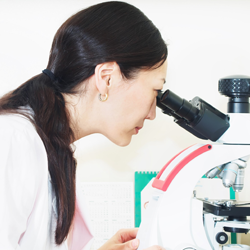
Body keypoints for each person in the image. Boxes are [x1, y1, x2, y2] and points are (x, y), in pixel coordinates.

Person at [0, 1, 167, 250]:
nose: (153, 114)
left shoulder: (52, 147)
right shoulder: (14, 139)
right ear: (106, 77)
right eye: (155, 90)